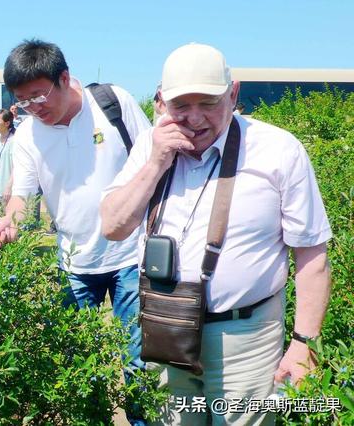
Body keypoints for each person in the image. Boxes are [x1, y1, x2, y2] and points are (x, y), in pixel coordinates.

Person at [101, 43, 332, 425]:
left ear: (234, 93)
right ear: (160, 101)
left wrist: (304, 343)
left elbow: (311, 256)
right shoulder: (151, 144)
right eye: (180, 106)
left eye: (207, 103)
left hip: (246, 337)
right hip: (166, 330)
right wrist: (157, 161)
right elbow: (113, 226)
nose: (193, 118)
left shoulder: (278, 150)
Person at [0, 39, 151, 425]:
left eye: (38, 95)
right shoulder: (28, 136)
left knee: (140, 366)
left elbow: (153, 161)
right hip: (74, 264)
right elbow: (21, 197)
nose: (33, 108)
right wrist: (8, 221)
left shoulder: (113, 103)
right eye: (22, 101)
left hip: (134, 255)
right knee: (77, 365)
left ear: (64, 78)